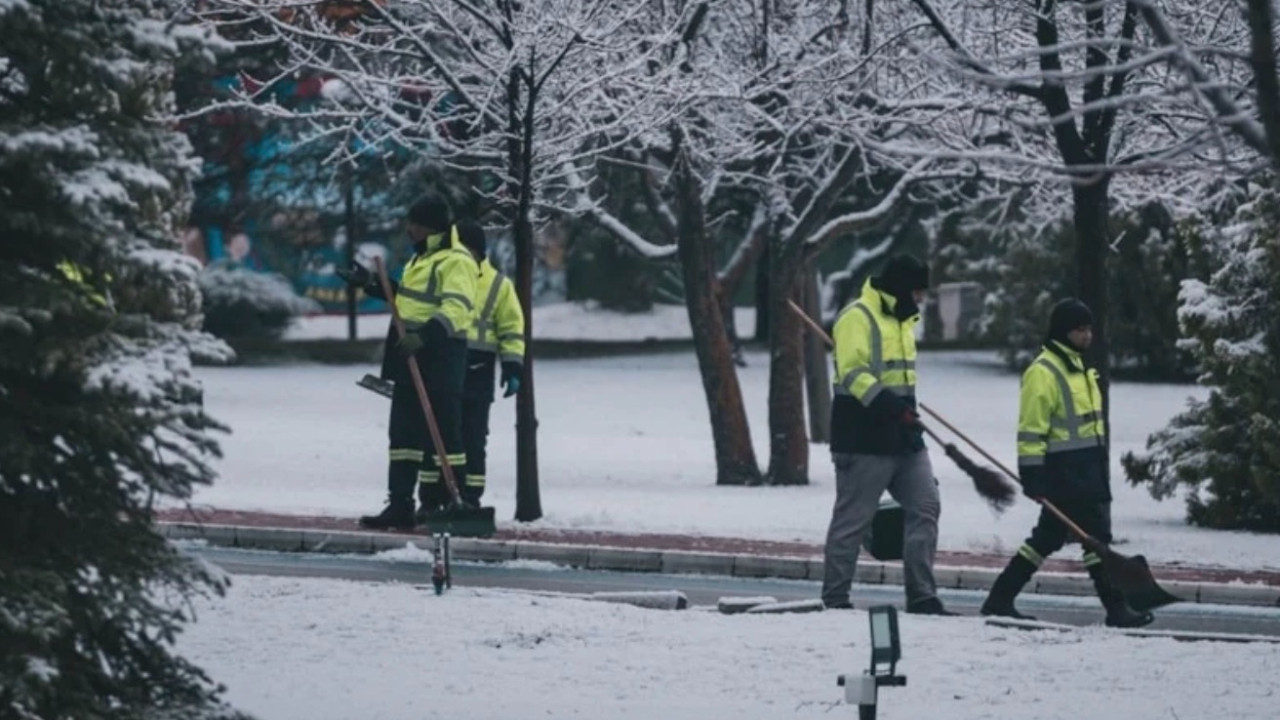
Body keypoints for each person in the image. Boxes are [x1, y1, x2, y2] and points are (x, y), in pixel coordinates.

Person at [980, 298, 1153, 627]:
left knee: (1049, 539)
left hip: (1086, 469)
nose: (1088, 335)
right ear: (1064, 331)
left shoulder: (1080, 369)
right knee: (1094, 538)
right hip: (1064, 473)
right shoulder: (1043, 372)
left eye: (1089, 329)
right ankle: (1115, 608)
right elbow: (1031, 430)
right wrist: (1032, 475)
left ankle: (1000, 598)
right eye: (1080, 329)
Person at [820, 254, 954, 615]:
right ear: (901, 289)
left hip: (905, 438)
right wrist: (893, 407)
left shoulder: (903, 321)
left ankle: (923, 596)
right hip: (862, 438)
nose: (922, 299)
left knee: (926, 506)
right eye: (918, 292)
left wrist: (905, 410)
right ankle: (835, 599)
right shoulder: (856, 318)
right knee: (853, 520)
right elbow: (853, 373)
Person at [338, 193, 479, 530]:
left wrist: (425, 337)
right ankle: (400, 503)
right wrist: (372, 284)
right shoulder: (421, 259)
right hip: (408, 355)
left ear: (430, 226)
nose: (408, 229)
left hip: (439, 357)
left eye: (414, 223)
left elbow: (457, 309)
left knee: (443, 435)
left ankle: (451, 501)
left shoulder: (455, 260)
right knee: (402, 436)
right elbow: (407, 298)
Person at [454, 220, 525, 506]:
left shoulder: (497, 284)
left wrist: (512, 365)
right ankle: (442, 494)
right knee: (446, 435)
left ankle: (470, 496)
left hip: (478, 368)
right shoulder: (447, 275)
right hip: (447, 363)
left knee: (473, 436)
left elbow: (511, 326)